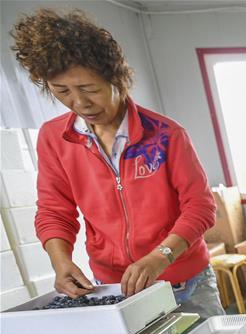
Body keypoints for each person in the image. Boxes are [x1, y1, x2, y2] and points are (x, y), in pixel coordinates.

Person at [11, 9, 224, 318]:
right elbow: (54, 210)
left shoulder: (166, 135)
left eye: (89, 89)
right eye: (62, 91)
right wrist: (61, 262)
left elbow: (200, 207)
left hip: (185, 282)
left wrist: (160, 257)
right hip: (114, 287)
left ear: (118, 79)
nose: (79, 103)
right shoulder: (54, 138)